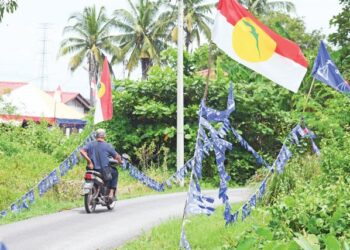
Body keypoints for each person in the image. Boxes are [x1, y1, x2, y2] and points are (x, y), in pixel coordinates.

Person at [80, 128, 122, 201]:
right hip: (103, 171)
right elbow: (117, 156)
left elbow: (81, 151)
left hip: (91, 169)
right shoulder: (108, 146)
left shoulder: (90, 144)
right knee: (115, 172)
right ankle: (111, 193)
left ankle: (100, 192)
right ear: (104, 136)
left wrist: (89, 161)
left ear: (96, 136)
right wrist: (120, 161)